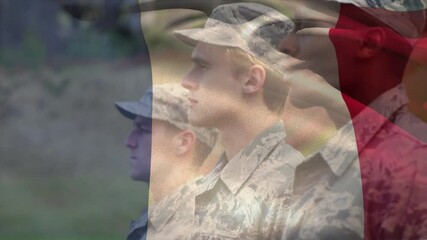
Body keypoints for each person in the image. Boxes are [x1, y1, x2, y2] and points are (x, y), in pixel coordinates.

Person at [274, 0, 427, 239]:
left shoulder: (413, 161)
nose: (285, 44)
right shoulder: (346, 153)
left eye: (307, 28)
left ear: (368, 43)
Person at [174, 2, 304, 239]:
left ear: (251, 80)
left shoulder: (292, 188)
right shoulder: (212, 182)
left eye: (203, 66)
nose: (187, 80)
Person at [115, 83, 217, 240]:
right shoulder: (163, 218)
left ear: (183, 142)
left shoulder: (202, 227)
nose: (129, 141)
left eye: (143, 130)